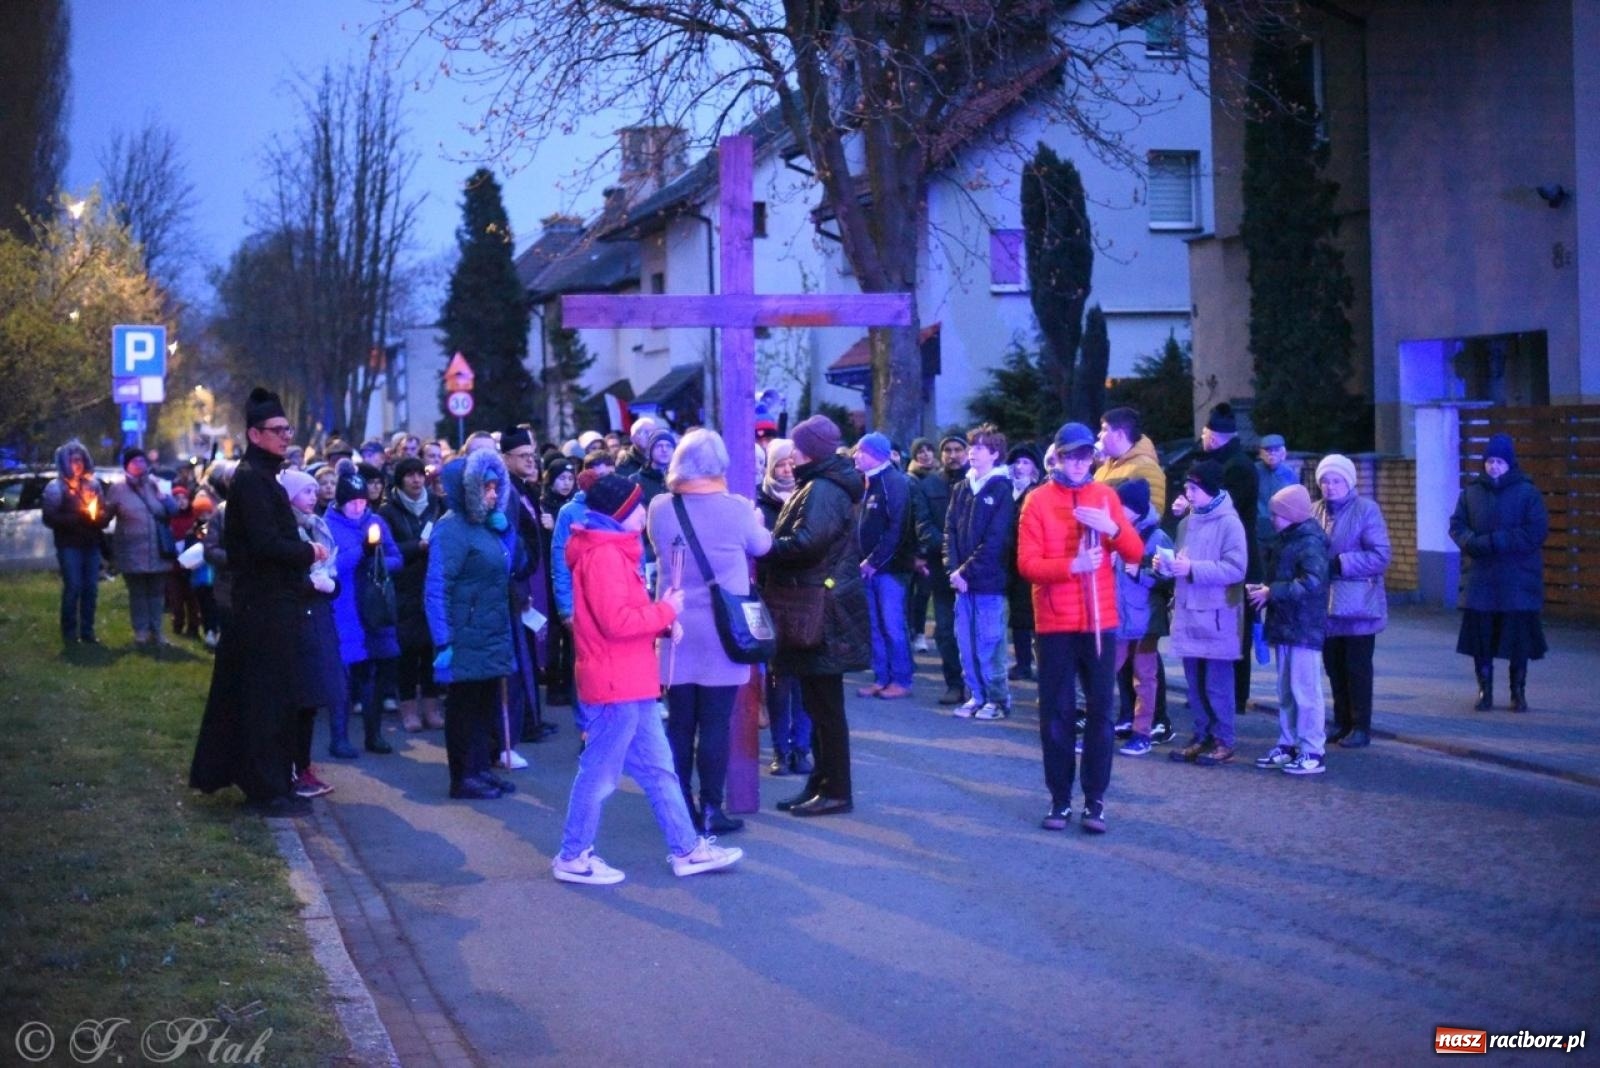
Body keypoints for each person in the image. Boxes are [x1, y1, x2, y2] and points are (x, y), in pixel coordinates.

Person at [553, 474, 743, 883]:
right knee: (601, 774)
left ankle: (687, 849)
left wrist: (659, 622)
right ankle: (573, 855)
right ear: (621, 512)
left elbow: (620, 617)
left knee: (657, 770)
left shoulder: (609, 549)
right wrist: (666, 613)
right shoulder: (604, 554)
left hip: (628, 680)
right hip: (616, 682)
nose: (644, 512)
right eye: (638, 506)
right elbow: (617, 622)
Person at [190, 387, 325, 817]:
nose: (286, 436)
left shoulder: (265, 477)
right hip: (260, 609)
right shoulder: (250, 480)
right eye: (277, 430)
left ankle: (275, 782)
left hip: (275, 606)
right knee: (263, 700)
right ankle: (264, 787)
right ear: (254, 433)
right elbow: (266, 544)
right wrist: (308, 553)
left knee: (278, 698)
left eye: (288, 429)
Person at [1017, 422, 1143, 834]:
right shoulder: (1036, 501)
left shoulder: (1105, 496)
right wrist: (1073, 565)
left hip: (1099, 623)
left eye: (1086, 454)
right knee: (1057, 714)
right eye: (1071, 455)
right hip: (1055, 623)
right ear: (1056, 456)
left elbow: (1136, 552)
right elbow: (1027, 565)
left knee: (1102, 714)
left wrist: (1112, 529)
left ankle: (1095, 800)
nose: (1078, 462)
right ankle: (1059, 799)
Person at [646, 429, 773, 834]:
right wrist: (755, 518)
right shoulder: (736, 509)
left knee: (680, 724)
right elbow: (763, 546)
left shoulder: (661, 507)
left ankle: (679, 805)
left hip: (676, 627)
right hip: (724, 631)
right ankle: (711, 809)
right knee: (716, 724)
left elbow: (656, 549)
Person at [766, 414, 870, 817]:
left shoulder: (823, 488)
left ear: (808, 449)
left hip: (822, 610)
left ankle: (836, 790)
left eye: (795, 446)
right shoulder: (819, 483)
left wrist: (766, 545)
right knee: (818, 704)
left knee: (826, 707)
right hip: (822, 607)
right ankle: (820, 783)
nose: (790, 454)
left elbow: (809, 543)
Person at [426, 450, 520, 800]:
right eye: (487, 488)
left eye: (496, 488)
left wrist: (507, 530)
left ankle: (480, 768)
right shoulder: (451, 529)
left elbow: (510, 564)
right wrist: (443, 640)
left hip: (490, 631)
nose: (494, 495)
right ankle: (463, 776)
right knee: (464, 708)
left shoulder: (485, 525)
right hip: (464, 636)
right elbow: (437, 587)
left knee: (484, 707)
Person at [1449, 433, 1548, 712]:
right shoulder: (1471, 493)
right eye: (1490, 461)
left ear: (1510, 464)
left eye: (1499, 462)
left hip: (1516, 580)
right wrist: (1471, 542)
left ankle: (1518, 692)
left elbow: (1535, 532)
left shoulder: (1528, 493)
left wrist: (1497, 542)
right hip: (1481, 580)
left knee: (1517, 641)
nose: (1493, 467)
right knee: (1482, 639)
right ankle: (1485, 691)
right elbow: (1456, 526)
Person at [1161, 459, 1249, 767]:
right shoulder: (1187, 521)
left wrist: (1192, 569)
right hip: (1188, 611)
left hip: (1216, 614)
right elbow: (1182, 559)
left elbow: (1237, 568)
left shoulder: (1229, 523)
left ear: (1210, 490)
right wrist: (1168, 565)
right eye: (1187, 487)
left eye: (1193, 488)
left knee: (1217, 683)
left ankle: (1224, 740)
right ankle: (1201, 735)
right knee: (1194, 683)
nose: (1187, 493)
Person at [1247, 484, 1331, 776]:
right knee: (1286, 690)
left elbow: (1312, 582)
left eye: (1277, 514)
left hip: (1303, 626)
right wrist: (1267, 591)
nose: (1272, 518)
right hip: (1287, 624)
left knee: (1305, 691)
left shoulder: (1309, 542)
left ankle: (1312, 750)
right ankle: (1289, 743)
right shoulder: (1289, 537)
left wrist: (1272, 592)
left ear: (1292, 515)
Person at [325, 463, 402, 758]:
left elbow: (396, 558)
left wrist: (379, 561)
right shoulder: (328, 526)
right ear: (341, 502)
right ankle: (339, 737)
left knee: (372, 675)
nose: (358, 507)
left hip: (375, 607)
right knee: (343, 679)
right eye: (352, 502)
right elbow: (331, 567)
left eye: (363, 501)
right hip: (344, 609)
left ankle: (374, 734)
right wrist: (362, 552)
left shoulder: (377, 522)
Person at [1314, 453, 1391, 747]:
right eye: (1325, 481)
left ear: (1349, 482)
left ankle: (1361, 726)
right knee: (1334, 667)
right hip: (1327, 606)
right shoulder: (1315, 510)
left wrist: (1341, 564)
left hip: (1358, 605)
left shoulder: (1366, 510)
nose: (1330, 487)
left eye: (1336, 481)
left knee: (1357, 668)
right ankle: (1342, 722)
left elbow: (1380, 556)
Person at [278, 468, 343, 799]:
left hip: (317, 621)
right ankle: (292, 767)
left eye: (316, 491)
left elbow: (333, 572)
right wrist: (309, 584)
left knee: (312, 700)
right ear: (289, 496)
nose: (314, 496)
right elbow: (281, 582)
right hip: (296, 624)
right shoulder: (286, 531)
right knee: (298, 700)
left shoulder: (318, 526)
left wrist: (331, 585)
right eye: (306, 491)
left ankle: (303, 765)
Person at [945, 423, 1016, 720]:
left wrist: (966, 571)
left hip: (988, 583)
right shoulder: (962, 487)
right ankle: (976, 695)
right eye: (971, 448)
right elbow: (949, 531)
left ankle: (997, 700)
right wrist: (952, 569)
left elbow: (997, 539)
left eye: (979, 448)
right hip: (962, 584)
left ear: (995, 454)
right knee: (966, 643)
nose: (972, 453)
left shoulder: (1001, 488)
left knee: (990, 643)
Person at [757, 439, 812, 776]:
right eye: (780, 464)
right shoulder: (759, 503)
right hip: (771, 597)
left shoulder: (809, 498)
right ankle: (780, 748)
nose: (787, 469)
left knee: (803, 680)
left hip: (804, 597)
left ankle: (801, 748)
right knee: (779, 680)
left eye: (792, 463)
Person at [380, 456, 447, 732]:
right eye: (409, 475)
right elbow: (385, 548)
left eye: (420, 474)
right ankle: (408, 709)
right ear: (400, 479)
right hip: (404, 587)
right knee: (408, 652)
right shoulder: (388, 511)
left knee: (431, 649)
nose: (416, 480)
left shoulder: (437, 505)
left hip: (432, 585)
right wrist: (415, 547)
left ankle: (431, 708)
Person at [501, 428, 555, 761]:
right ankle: (520, 728)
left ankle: (532, 720)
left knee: (531, 653)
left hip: (531, 577)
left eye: (531, 455)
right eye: (522, 456)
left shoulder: (525, 490)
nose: (530, 460)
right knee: (520, 657)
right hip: (519, 582)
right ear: (506, 458)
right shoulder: (508, 492)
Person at [1111, 478, 1173, 757]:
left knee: (1144, 677)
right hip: (1119, 617)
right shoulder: (1114, 531)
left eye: (1122, 505)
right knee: (1104, 673)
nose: (1118, 509)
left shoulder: (1156, 537)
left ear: (1135, 508)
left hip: (1146, 620)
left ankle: (1142, 732)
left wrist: (1140, 574)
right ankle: (1100, 730)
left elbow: (1167, 579)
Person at [854, 431, 917, 701]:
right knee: (875, 626)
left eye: (861, 452)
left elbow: (896, 528)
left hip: (888, 570)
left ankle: (901, 678)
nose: (856, 456)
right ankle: (882, 677)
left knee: (892, 625)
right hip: (868, 569)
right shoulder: (870, 482)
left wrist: (874, 561)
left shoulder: (894, 482)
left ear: (876, 455)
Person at [105, 447, 179, 646]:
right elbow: (106, 515)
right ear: (127, 466)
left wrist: (162, 495)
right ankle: (141, 632)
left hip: (157, 548)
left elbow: (173, 510)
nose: (140, 465)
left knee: (156, 592)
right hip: (131, 549)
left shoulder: (157, 484)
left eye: (142, 461)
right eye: (135, 461)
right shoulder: (118, 489)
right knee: (138, 592)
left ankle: (158, 632)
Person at [41, 439, 111, 646]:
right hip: (69, 545)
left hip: (90, 544)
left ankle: (87, 631)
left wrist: (99, 518)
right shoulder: (56, 487)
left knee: (91, 588)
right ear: (65, 462)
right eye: (73, 460)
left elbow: (102, 512)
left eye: (80, 460)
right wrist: (76, 518)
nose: (77, 464)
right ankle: (70, 633)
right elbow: (49, 517)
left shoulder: (93, 484)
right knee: (73, 587)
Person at [918, 434, 970, 705]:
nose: (952, 455)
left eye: (957, 449)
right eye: (947, 450)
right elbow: (923, 525)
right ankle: (955, 683)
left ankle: (978, 686)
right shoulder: (930, 485)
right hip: (942, 571)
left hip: (973, 569)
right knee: (945, 631)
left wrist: (965, 552)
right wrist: (949, 550)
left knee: (975, 631)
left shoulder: (977, 481)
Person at [540, 457, 580, 707]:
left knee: (573, 635)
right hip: (550, 576)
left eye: (569, 478)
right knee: (555, 633)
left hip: (574, 575)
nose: (566, 483)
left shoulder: (576, 506)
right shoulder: (543, 505)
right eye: (561, 478)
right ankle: (554, 684)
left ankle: (570, 682)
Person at [1005, 443, 1044, 681]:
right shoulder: (1006, 491)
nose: (1020, 467)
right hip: (1010, 561)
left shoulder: (1036, 493)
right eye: (1017, 462)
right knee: (1019, 617)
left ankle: (1040, 663)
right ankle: (1022, 662)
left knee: (1035, 616)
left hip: (1031, 559)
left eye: (1026, 463)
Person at [904, 437, 939, 654]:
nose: (925, 454)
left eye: (928, 450)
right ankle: (912, 630)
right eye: (920, 451)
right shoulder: (909, 480)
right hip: (913, 546)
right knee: (909, 593)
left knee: (924, 593)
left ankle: (919, 633)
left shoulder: (938, 478)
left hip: (932, 547)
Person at [1255, 434, 1297, 551]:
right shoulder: (1254, 472)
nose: (1271, 454)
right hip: (1258, 530)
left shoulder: (1290, 474)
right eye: (1267, 450)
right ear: (1261, 453)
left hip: (1282, 530)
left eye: (1276, 450)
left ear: (1283, 453)